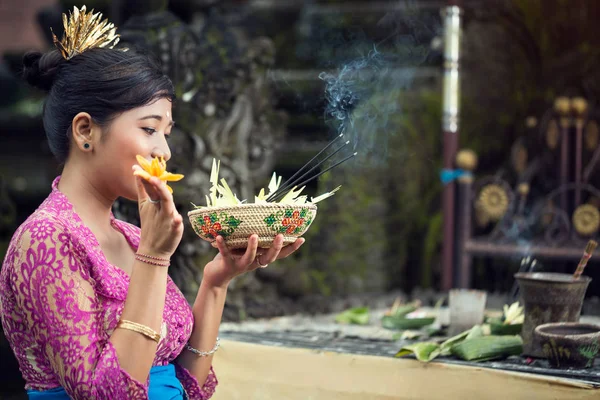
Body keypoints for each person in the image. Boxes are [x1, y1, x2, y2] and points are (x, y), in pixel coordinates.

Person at [0, 6, 304, 400]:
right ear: (85, 130)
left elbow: (185, 387)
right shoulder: (45, 240)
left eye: (167, 132)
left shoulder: (129, 235)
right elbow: (108, 394)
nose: (163, 151)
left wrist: (216, 281)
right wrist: (155, 257)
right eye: (149, 129)